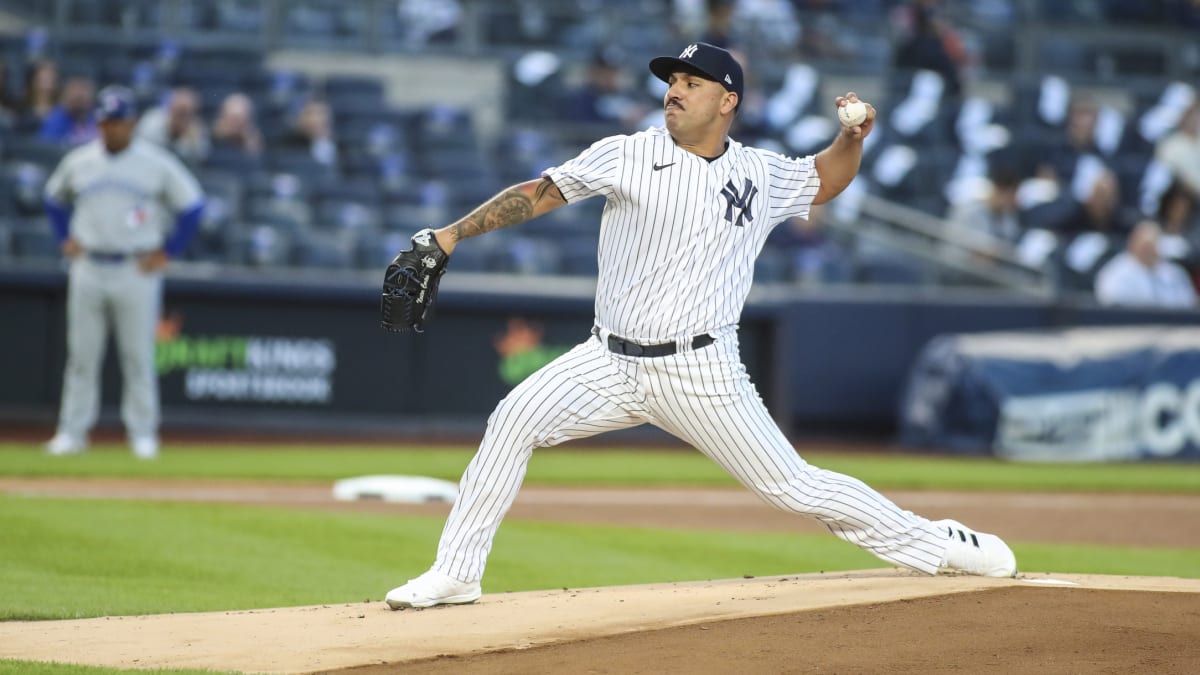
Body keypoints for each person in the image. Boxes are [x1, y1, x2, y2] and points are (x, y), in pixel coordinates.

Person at [383, 42, 1017, 610]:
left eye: (692, 81)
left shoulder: (759, 173)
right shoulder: (627, 154)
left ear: (727, 100)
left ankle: (936, 543)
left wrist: (853, 137)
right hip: (607, 361)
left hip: (702, 370)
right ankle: (455, 574)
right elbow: (541, 192)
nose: (674, 90)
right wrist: (449, 234)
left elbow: (825, 179)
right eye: (672, 79)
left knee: (795, 488)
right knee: (511, 422)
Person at [42, 86, 206, 459]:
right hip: (89, 265)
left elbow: (193, 206)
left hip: (136, 267)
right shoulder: (80, 160)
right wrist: (64, 237)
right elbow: (53, 198)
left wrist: (169, 251)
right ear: (98, 123)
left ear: (131, 123)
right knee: (82, 357)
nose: (112, 128)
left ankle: (143, 435)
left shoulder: (154, 162)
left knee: (138, 357)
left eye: (118, 121)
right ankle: (72, 432)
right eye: (106, 121)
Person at [1094, 220, 1197, 308]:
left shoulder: (1174, 273)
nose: (1148, 251)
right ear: (1132, 244)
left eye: (1152, 245)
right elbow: (1110, 303)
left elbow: (1189, 303)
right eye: (1145, 246)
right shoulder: (1116, 272)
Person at [135, 87, 210, 166]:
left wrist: (192, 141)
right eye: (180, 112)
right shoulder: (152, 121)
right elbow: (140, 151)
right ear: (171, 108)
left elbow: (200, 159)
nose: (184, 118)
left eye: (189, 113)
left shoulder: (196, 130)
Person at [38, 75, 97, 146]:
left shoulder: (96, 120)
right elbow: (47, 148)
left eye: (84, 92)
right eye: (76, 97)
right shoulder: (55, 121)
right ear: (65, 96)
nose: (80, 94)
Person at [210, 92, 263, 156]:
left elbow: (255, 158)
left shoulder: (251, 136)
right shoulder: (210, 136)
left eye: (240, 119)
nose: (236, 124)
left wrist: (249, 138)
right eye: (232, 118)